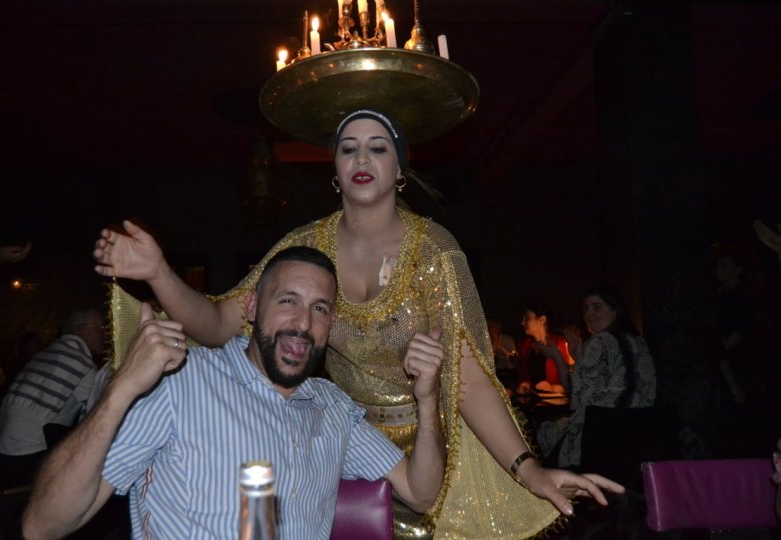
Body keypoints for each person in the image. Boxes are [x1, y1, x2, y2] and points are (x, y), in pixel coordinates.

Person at [93, 110, 625, 538]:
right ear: (336, 168)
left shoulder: (435, 252)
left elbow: (466, 376)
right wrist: (159, 272)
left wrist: (528, 468)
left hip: (430, 451)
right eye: (349, 148)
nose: (362, 158)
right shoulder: (306, 246)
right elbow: (216, 323)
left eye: (378, 148)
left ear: (399, 169)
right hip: (348, 446)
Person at [22, 246, 448, 540]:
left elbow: (421, 492)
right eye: (287, 301)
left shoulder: (332, 407)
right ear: (251, 308)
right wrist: (122, 388)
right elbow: (43, 526)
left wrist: (427, 399)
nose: (303, 323)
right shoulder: (180, 382)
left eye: (319, 309)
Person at [537, 286, 656, 468]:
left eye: (597, 307)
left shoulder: (599, 341)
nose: (589, 314)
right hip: (640, 436)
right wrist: (579, 359)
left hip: (602, 439)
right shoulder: (638, 341)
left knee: (538, 430)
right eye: (585, 308)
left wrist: (557, 358)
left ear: (615, 310)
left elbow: (578, 399)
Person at [0, 308, 106, 489]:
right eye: (101, 327)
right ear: (81, 329)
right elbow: (102, 413)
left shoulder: (42, 355)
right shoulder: (81, 363)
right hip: (26, 461)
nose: (105, 334)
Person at [516, 304, 574, 396]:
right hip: (533, 399)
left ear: (542, 320)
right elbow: (522, 375)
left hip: (555, 401)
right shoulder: (525, 345)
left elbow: (571, 381)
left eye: (527, 318)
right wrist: (525, 384)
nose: (522, 322)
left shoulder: (560, 343)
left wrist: (552, 388)